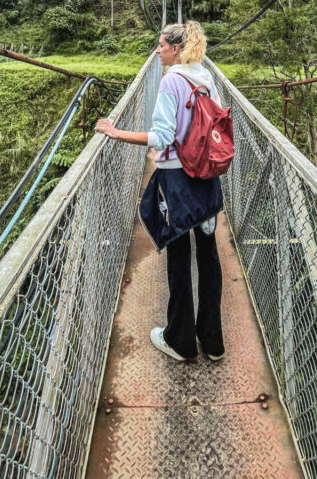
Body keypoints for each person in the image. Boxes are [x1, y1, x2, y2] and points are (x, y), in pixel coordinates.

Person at [95, 20, 225, 362]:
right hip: (207, 175)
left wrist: (117, 132)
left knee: (179, 255)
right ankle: (212, 341)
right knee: (209, 254)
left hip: (178, 180)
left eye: (162, 46)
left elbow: (162, 137)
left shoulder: (170, 81)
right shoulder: (206, 76)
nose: (157, 51)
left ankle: (180, 340)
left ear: (176, 49)